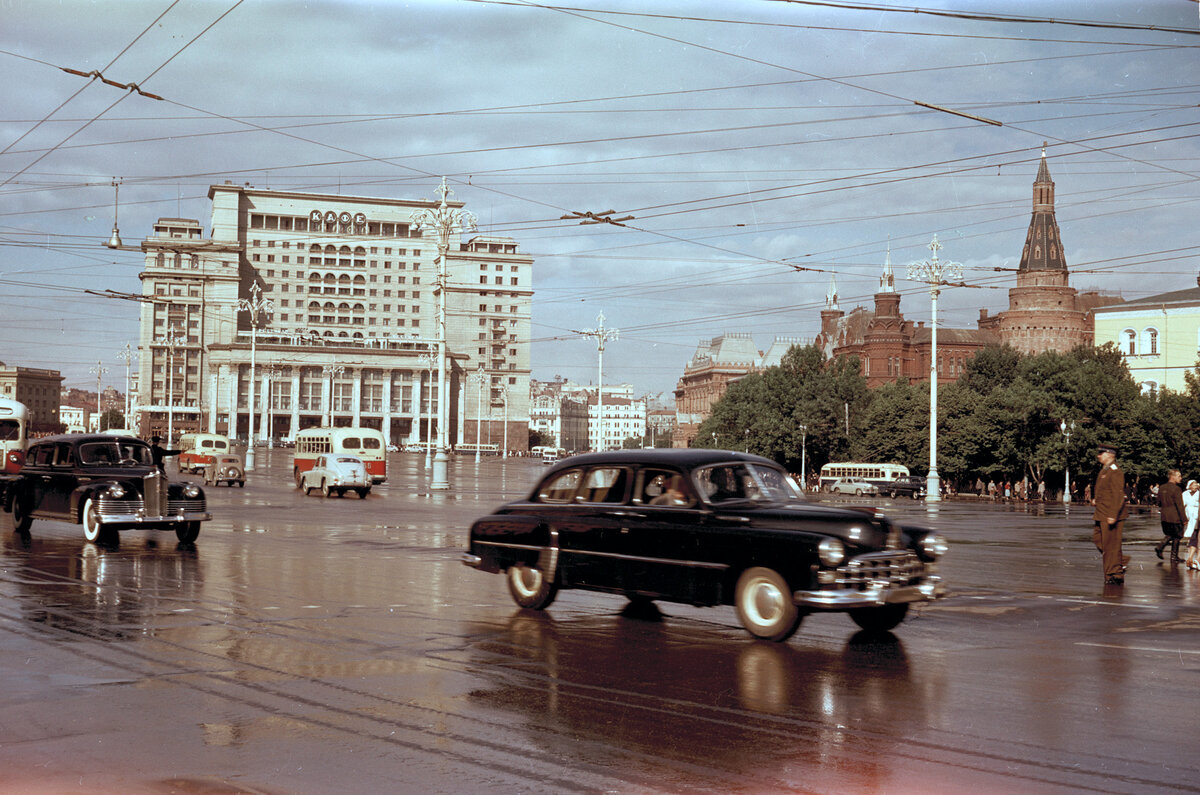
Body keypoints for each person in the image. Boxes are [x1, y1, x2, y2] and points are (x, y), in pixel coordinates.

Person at [1091, 443, 1130, 584]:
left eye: (1101, 453)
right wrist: (1096, 499)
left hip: (1111, 514)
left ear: (1109, 454)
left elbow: (1118, 495)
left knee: (1110, 545)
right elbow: (1106, 491)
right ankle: (1119, 563)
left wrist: (1113, 514)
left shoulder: (1115, 471)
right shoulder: (1105, 470)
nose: (1098, 456)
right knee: (1099, 540)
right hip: (1102, 512)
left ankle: (1114, 575)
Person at [1155, 469, 1186, 562]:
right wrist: (1184, 518)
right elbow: (1179, 505)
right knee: (1177, 535)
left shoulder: (1162, 487)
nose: (1181, 478)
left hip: (1164, 516)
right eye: (1179, 476)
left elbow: (1158, 502)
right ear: (1173, 477)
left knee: (1170, 534)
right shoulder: (1177, 489)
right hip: (1175, 516)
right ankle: (1170, 554)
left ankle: (1164, 549)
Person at [1184, 480, 1200, 570]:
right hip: (1191, 514)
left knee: (1195, 534)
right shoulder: (1185, 493)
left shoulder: (1198, 493)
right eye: (1193, 485)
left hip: (1197, 514)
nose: (1195, 486)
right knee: (1195, 534)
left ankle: (1191, 558)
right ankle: (1196, 560)